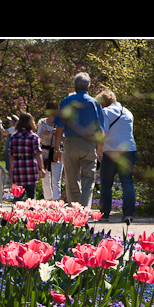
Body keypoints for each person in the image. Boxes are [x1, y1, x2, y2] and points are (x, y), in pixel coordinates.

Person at [52, 72, 107, 208]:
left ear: (75, 86)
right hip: (89, 144)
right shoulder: (95, 103)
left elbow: (59, 127)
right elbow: (101, 130)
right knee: (88, 180)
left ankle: (75, 210)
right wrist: (99, 149)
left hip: (71, 143)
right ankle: (84, 210)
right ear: (88, 87)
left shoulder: (67, 101)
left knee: (72, 179)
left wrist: (57, 148)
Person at [96, 89, 137, 224]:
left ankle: (105, 214)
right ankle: (128, 214)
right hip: (129, 150)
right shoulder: (128, 112)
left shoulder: (106, 112)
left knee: (106, 184)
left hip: (111, 150)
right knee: (127, 182)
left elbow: (103, 131)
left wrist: (99, 149)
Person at [7, 112, 46, 201]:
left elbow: (11, 154)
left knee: (18, 196)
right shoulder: (33, 137)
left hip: (18, 169)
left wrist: (12, 167)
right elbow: (38, 153)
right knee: (31, 197)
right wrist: (42, 168)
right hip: (31, 169)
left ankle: (16, 213)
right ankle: (31, 213)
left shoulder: (14, 137)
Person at [37, 100, 63, 201]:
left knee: (56, 179)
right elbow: (37, 138)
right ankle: (48, 200)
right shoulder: (42, 122)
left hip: (57, 152)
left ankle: (56, 201)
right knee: (45, 178)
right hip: (44, 153)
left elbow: (66, 140)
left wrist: (59, 135)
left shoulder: (61, 123)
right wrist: (43, 134)